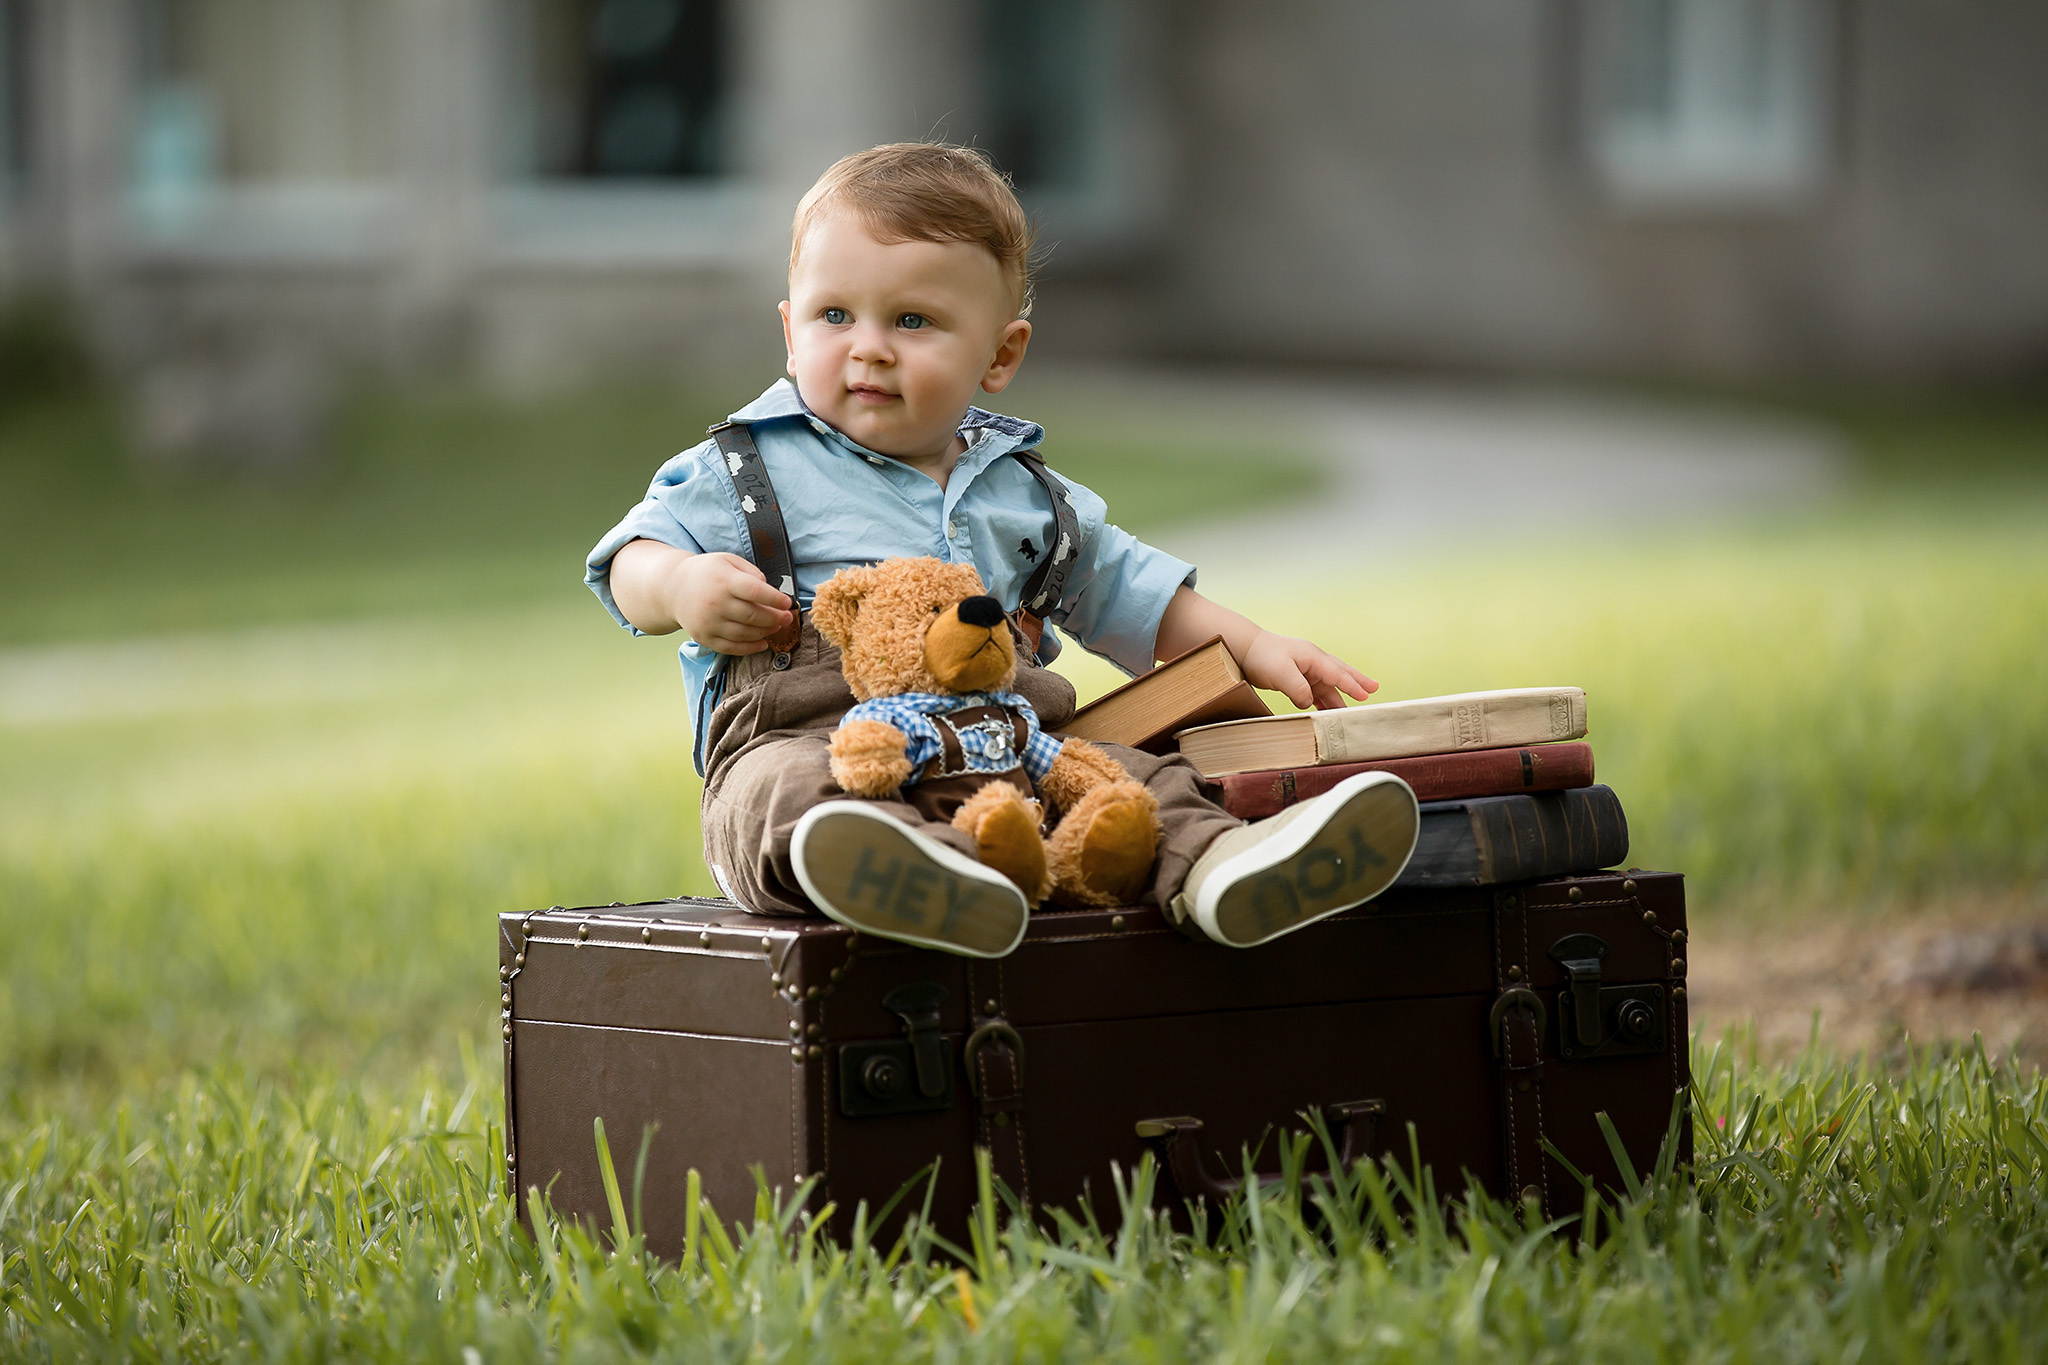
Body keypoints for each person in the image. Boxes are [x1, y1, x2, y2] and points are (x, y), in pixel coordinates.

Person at [587, 143, 1418, 958]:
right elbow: (630, 559)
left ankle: (1226, 868)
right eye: (834, 315)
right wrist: (683, 584)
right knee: (783, 799)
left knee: (1138, 777)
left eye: (913, 321)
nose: (869, 346)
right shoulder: (748, 467)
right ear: (789, 329)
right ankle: (925, 877)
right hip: (812, 741)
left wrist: (1259, 647)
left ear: (1001, 353)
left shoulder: (1021, 495)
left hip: (1009, 756)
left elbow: (1137, 594)